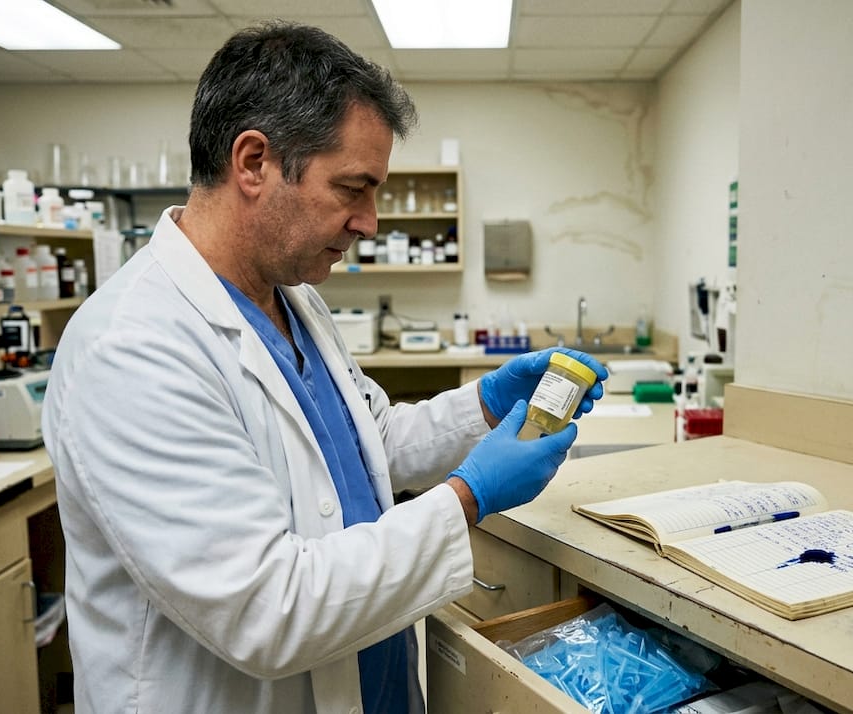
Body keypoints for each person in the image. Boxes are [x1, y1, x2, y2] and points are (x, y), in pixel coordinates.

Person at [41, 21, 608, 714]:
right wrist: (468, 497)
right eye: (352, 189)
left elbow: (370, 445)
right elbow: (265, 610)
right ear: (253, 163)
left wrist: (485, 403)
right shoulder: (132, 350)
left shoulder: (295, 299)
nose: (370, 222)